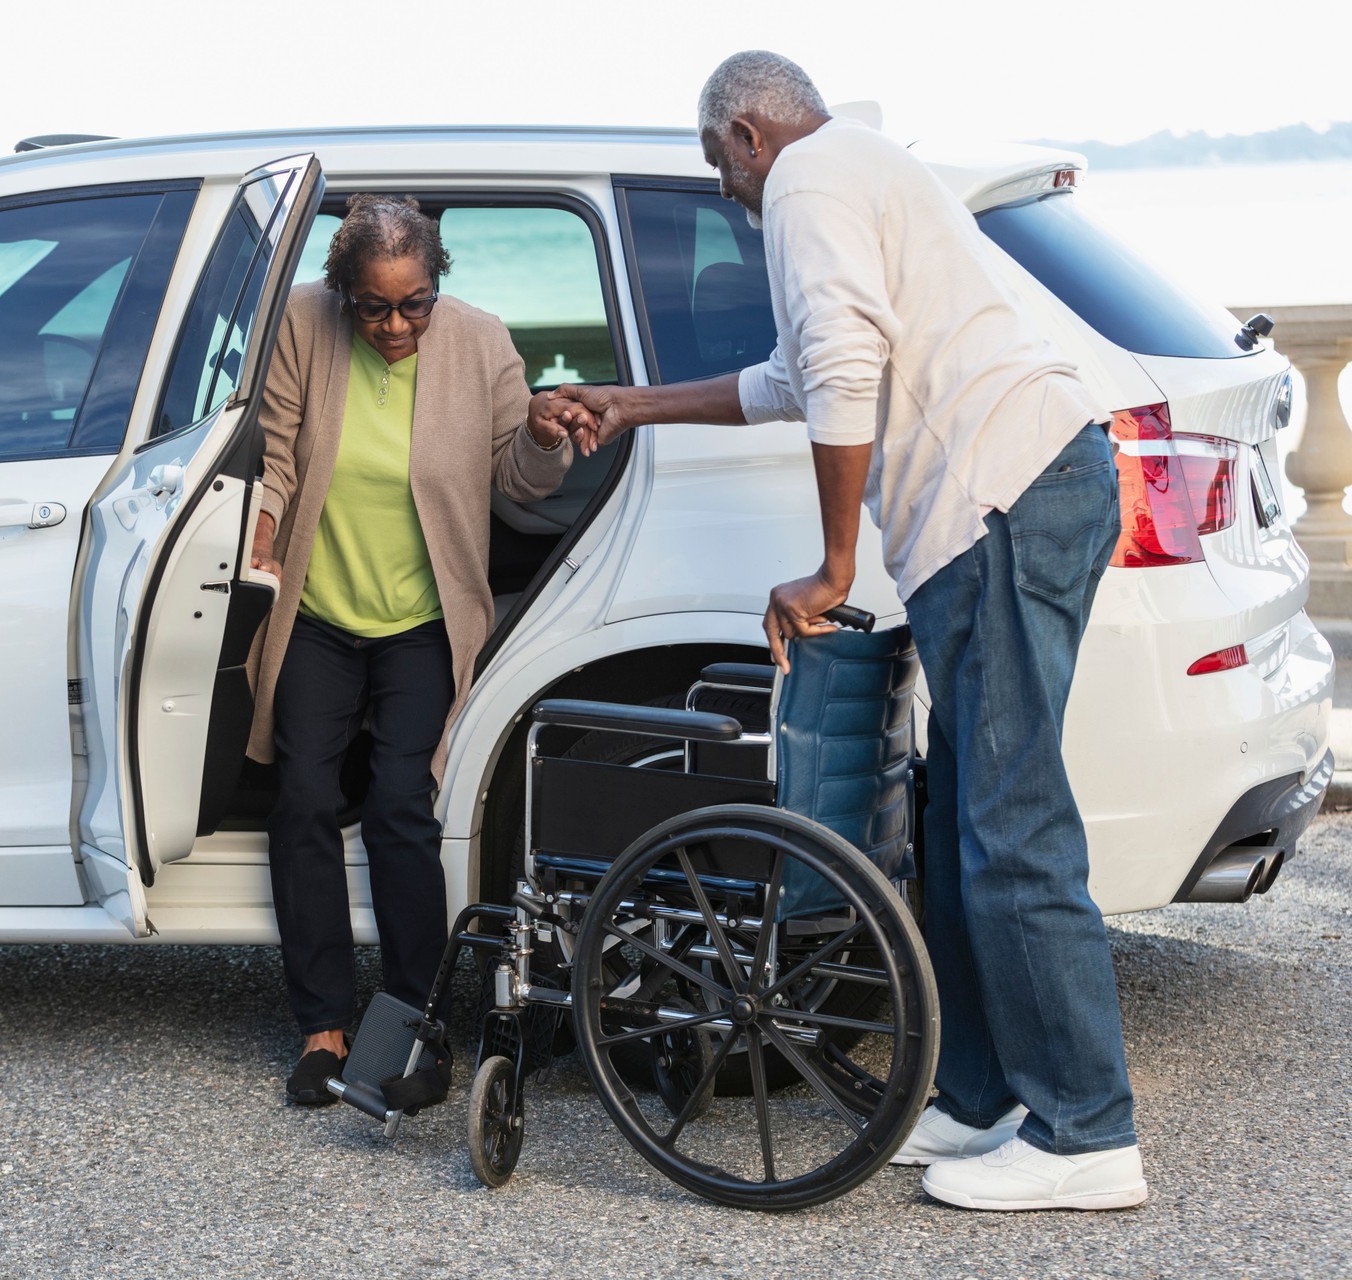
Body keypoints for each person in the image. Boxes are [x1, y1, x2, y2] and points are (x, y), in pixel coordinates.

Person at [550, 52, 1146, 1211]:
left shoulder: (809, 181)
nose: (723, 189)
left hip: (1004, 504)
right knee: (962, 816)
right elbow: (788, 375)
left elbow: (838, 364)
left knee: (1011, 821)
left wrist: (830, 565)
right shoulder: (862, 164)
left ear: (749, 136)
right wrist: (636, 403)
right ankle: (982, 1099)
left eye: (717, 163)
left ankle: (1088, 1131)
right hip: (1006, 506)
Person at [248, 194, 574, 1105]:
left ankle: (418, 1033)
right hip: (317, 611)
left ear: (439, 285)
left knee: (401, 806)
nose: (396, 325)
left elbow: (518, 478)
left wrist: (545, 438)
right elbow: (274, 458)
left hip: (425, 619)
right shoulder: (306, 330)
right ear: (341, 290)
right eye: (375, 307)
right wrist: (264, 539)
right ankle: (322, 1027)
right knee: (303, 799)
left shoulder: (481, 341)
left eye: (414, 304)